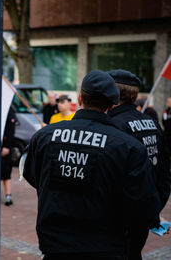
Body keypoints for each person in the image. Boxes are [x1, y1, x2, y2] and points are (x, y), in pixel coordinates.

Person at [22, 70, 161, 260]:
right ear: (112, 104)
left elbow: (33, 176)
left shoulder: (45, 137)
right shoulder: (128, 147)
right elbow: (143, 204)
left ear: (79, 99)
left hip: (55, 245)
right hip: (105, 247)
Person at [107, 69, 171, 260]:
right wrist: (153, 211)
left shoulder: (113, 125)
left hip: (118, 219)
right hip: (143, 216)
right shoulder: (151, 123)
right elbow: (164, 172)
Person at [1, 108, 17, 206]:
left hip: (5, 146)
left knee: (6, 172)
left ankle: (8, 195)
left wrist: (7, 146)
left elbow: (11, 130)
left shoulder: (9, 110)